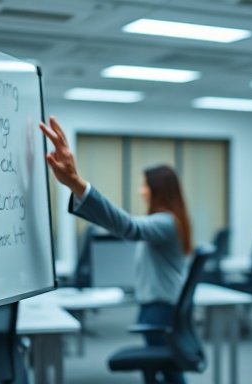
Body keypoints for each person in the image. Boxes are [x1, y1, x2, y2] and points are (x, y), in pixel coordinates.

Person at [39, 116, 193, 384]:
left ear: (158, 190)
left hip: (160, 309)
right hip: (159, 305)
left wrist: (77, 183)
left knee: (168, 371)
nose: (141, 190)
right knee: (164, 370)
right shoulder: (170, 221)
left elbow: (129, 227)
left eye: (145, 185)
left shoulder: (166, 222)